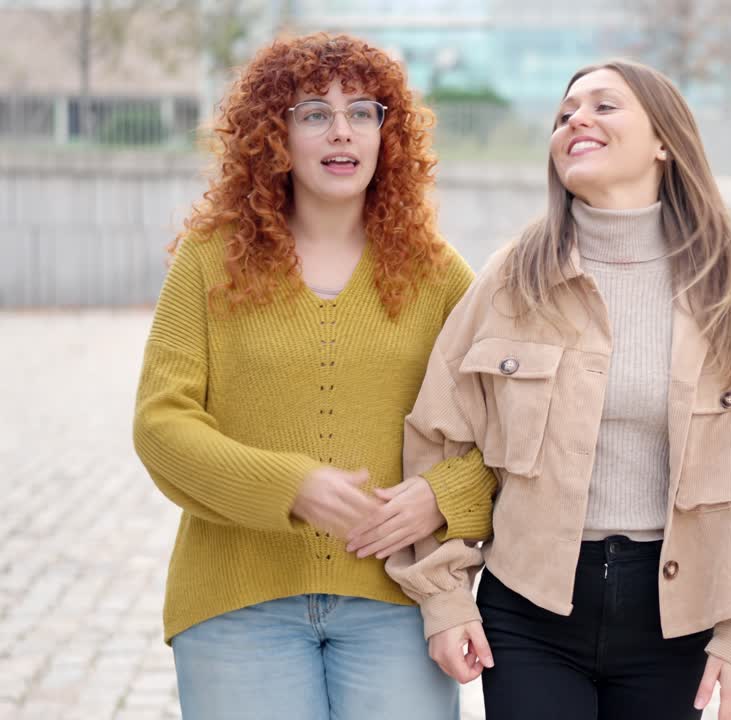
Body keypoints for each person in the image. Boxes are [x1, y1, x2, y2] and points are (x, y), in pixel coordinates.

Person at [386, 59, 731, 720]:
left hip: (676, 620)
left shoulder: (724, 286)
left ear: (664, 140)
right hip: (530, 613)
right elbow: (440, 437)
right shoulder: (515, 278)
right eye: (565, 114)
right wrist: (444, 597)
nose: (577, 121)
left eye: (604, 106)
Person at [133, 33, 496, 719]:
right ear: (275, 134)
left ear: (389, 133)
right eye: (313, 113)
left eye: (363, 112)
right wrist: (290, 486)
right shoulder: (210, 261)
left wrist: (442, 497)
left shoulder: (438, 273)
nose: (342, 132)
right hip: (237, 605)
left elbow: (509, 430)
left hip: (394, 605)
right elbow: (161, 424)